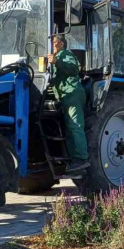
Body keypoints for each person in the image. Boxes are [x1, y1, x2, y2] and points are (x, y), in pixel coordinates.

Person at [47, 35, 90, 172]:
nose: (52, 45)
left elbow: (74, 69)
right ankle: (72, 159)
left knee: (75, 126)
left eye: (53, 43)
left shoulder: (65, 54)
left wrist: (56, 62)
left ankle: (82, 159)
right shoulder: (53, 57)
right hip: (64, 96)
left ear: (61, 43)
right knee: (69, 129)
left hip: (72, 94)